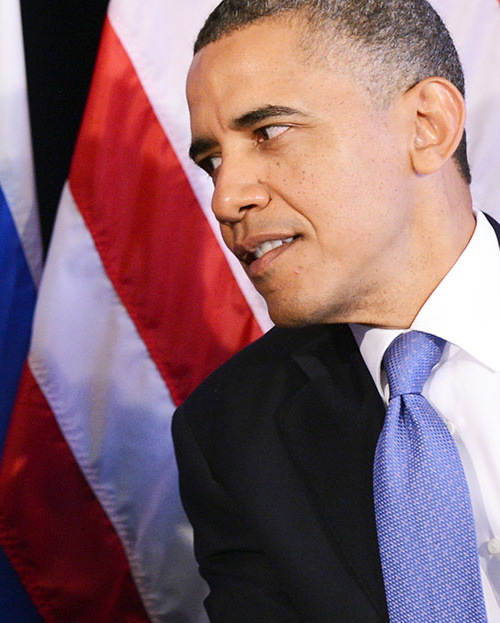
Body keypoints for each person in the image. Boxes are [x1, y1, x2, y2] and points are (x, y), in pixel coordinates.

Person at [172, 0, 500, 621]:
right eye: (213, 160)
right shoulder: (231, 433)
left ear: (427, 126)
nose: (225, 197)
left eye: (268, 133)